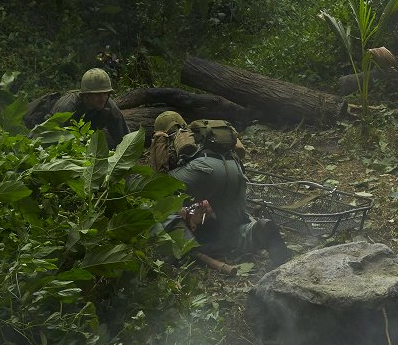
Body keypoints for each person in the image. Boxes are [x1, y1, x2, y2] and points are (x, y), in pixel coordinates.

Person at [152, 110, 291, 267]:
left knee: (159, 194)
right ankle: (258, 229)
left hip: (204, 170)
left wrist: (158, 141)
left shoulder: (172, 137)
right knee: (233, 227)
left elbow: (160, 174)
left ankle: (188, 250)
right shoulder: (200, 135)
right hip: (234, 169)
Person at [48, 68, 130, 148]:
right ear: (86, 95)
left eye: (105, 94)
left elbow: (125, 139)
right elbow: (54, 142)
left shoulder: (109, 106)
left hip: (85, 141)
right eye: (98, 95)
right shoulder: (67, 108)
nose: (103, 99)